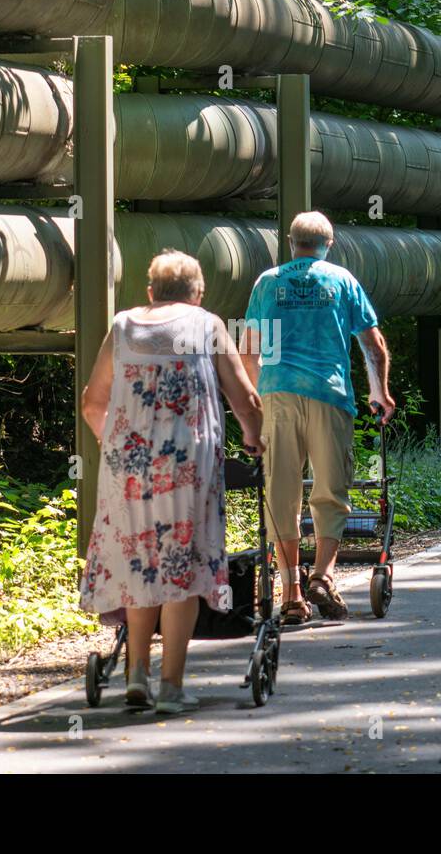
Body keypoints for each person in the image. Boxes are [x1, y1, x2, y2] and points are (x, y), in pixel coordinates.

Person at [79, 250, 264, 714]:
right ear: (197, 293)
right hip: (186, 465)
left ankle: (136, 675)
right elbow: (245, 399)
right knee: (180, 566)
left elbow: (91, 403)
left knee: (143, 561)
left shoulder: (122, 325)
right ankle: (172, 686)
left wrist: (115, 446)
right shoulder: (206, 324)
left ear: (150, 293)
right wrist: (254, 439)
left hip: (129, 464)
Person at [241, 211, 394, 624]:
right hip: (329, 396)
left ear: (290, 243)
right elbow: (373, 345)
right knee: (331, 490)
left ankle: (291, 592)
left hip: (277, 394)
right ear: (331, 242)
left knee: (282, 492)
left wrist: (256, 402)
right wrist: (379, 392)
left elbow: (249, 349)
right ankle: (323, 576)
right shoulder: (342, 280)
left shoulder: (267, 282)